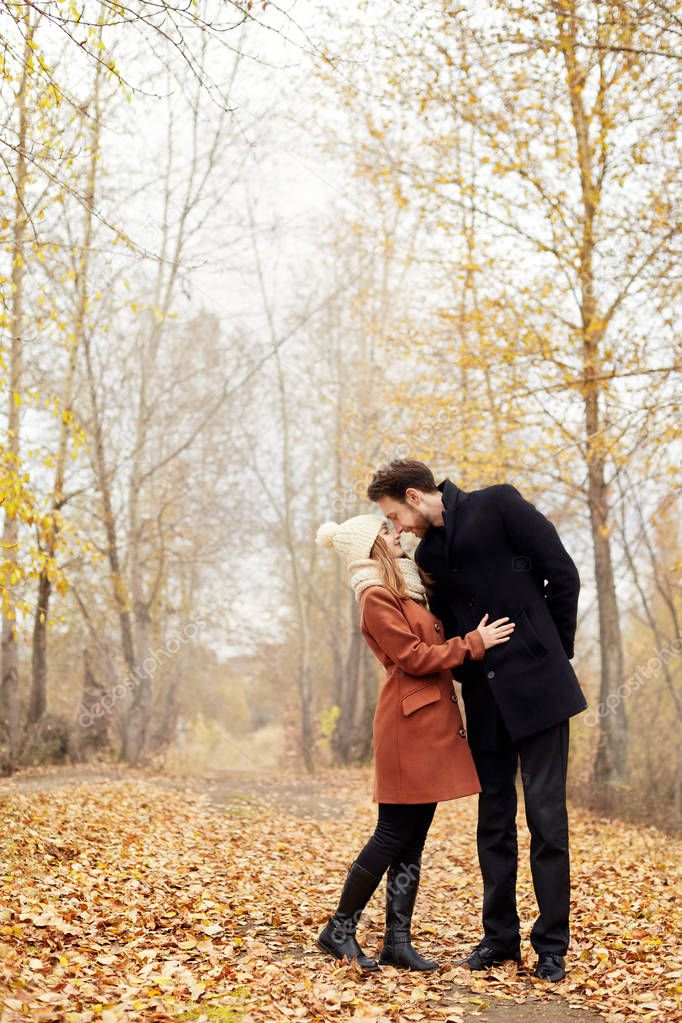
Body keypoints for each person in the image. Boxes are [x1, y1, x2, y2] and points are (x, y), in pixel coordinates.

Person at [367, 459, 587, 983]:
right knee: (493, 824)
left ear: (416, 496)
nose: (396, 527)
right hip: (486, 703)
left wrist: (553, 652)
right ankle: (499, 940)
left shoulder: (500, 504)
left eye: (396, 514)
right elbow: (443, 632)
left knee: (547, 823)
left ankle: (551, 946)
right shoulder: (431, 554)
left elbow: (564, 574)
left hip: (541, 694)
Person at [315, 513, 515, 972]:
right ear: (371, 546)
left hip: (428, 721)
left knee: (412, 841)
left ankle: (396, 942)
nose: (397, 533)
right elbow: (413, 656)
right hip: (406, 726)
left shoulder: (407, 590)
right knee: (391, 834)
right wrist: (474, 643)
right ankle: (339, 928)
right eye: (387, 531)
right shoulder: (375, 597)